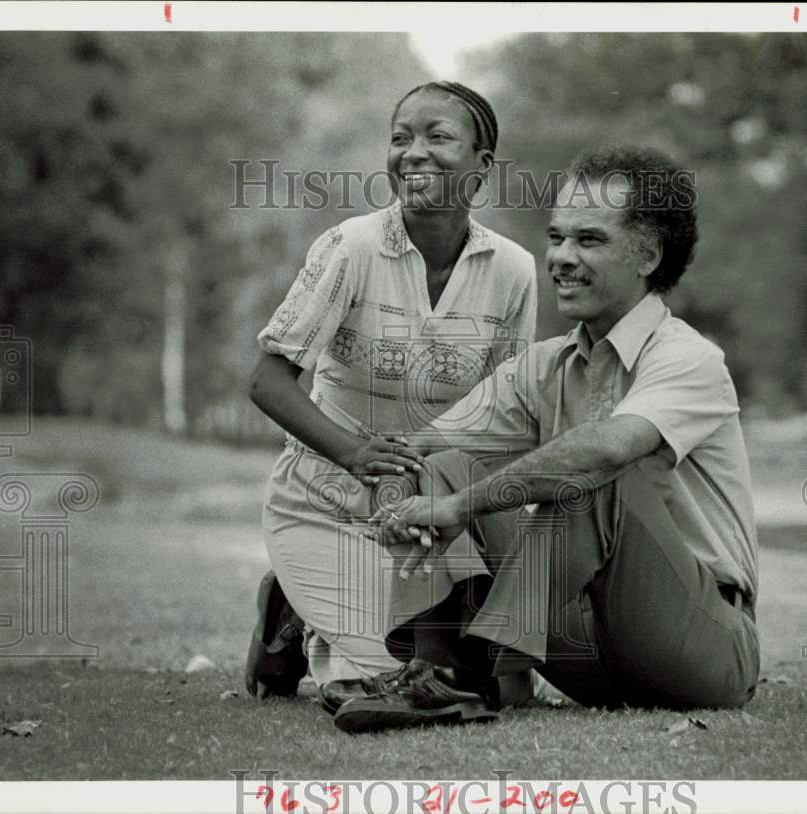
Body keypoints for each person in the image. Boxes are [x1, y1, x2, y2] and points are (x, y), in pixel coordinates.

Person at [332, 144, 761, 734]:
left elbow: (605, 453)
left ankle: (474, 669)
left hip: (700, 646)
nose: (560, 257)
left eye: (588, 240)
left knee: (602, 472)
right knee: (446, 466)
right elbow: (422, 447)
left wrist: (460, 508)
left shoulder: (688, 359)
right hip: (583, 652)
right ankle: (438, 672)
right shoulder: (544, 366)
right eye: (556, 237)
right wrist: (397, 496)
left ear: (647, 255)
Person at [245, 82, 538, 710]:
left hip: (435, 511)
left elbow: (505, 411)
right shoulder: (350, 248)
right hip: (326, 497)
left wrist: (489, 526)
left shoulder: (513, 271)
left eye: (438, 138)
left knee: (469, 679)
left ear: (482, 166)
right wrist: (353, 453)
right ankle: (294, 612)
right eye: (401, 137)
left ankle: (306, 612)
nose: (414, 154)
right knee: (382, 678)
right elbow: (266, 379)